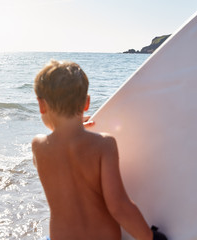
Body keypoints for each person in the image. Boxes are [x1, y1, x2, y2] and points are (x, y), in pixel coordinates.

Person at [32, 60, 167, 240]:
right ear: (87, 103)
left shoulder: (38, 147)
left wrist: (68, 128)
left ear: (41, 105)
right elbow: (119, 206)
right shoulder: (104, 145)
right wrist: (149, 237)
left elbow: (60, 143)